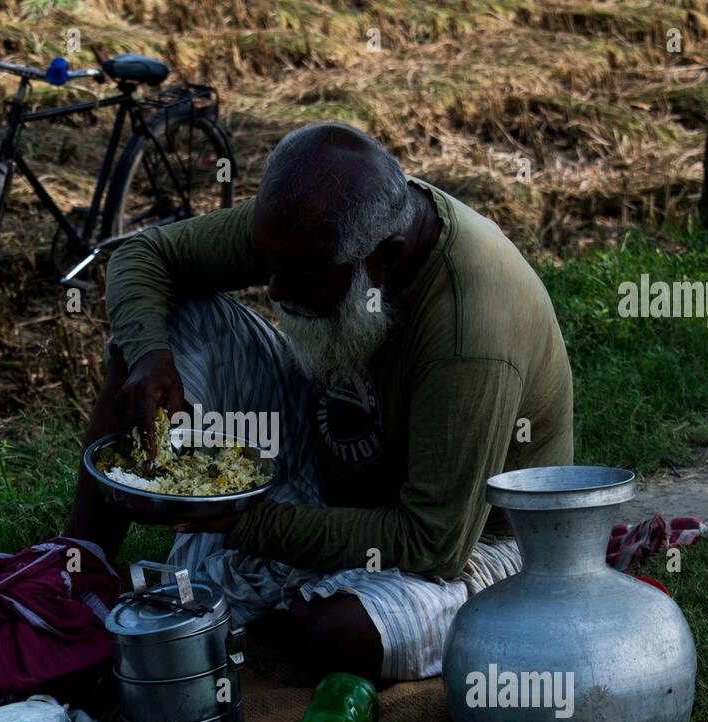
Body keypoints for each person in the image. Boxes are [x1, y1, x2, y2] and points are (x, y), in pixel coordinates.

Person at [65, 122, 573, 685]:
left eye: (299, 275)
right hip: (330, 459)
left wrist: (246, 523)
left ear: (382, 261)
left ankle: (265, 595)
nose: (275, 289)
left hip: (472, 540)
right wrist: (149, 358)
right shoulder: (313, 226)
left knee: (335, 630)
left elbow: (433, 541)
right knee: (162, 324)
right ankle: (75, 570)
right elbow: (144, 254)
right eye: (267, 265)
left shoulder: (469, 331)